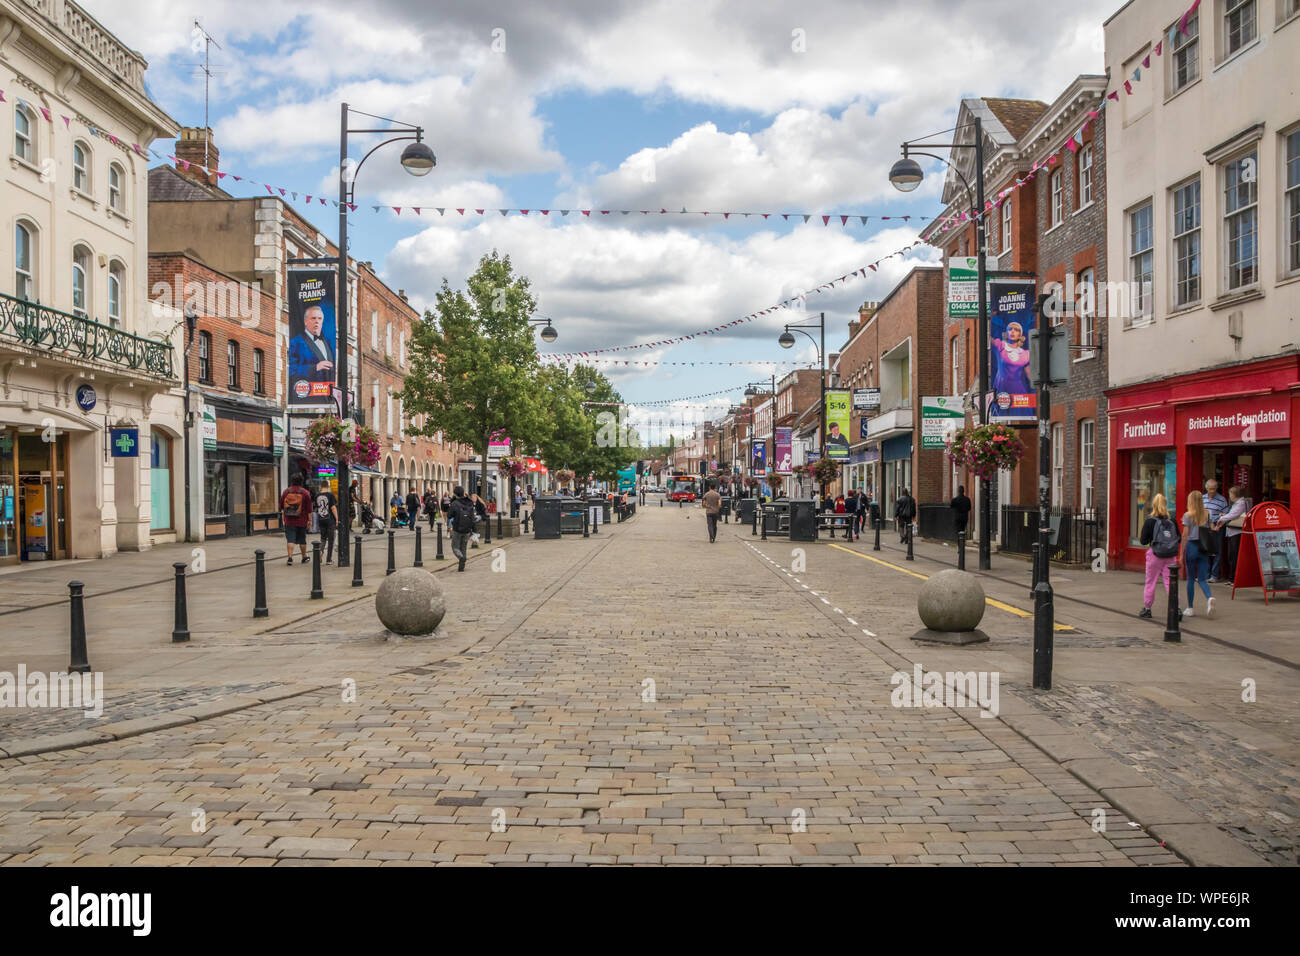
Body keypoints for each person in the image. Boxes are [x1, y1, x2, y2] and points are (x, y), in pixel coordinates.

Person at [1137, 493, 1180, 619]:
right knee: (1170, 582)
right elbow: (1179, 539)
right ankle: (1176, 609)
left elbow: (1143, 541)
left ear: (1153, 505)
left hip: (1155, 554)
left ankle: (1147, 609)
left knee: (1150, 582)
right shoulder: (1172, 520)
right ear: (1166, 505)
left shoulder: (1150, 521)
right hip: (1171, 556)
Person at [1180, 490, 1216, 619]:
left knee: (1190, 578)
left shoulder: (1187, 515)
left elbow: (1185, 535)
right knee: (1202, 579)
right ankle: (1209, 598)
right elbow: (1212, 529)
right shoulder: (1207, 514)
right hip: (1203, 548)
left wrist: (1180, 554)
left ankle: (1190, 608)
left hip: (1192, 547)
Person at [287, 305, 334, 384]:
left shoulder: (327, 343)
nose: (317, 321)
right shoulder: (295, 342)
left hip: (327, 393)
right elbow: (291, 370)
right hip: (306, 392)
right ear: (305, 322)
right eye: (313, 318)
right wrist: (315, 368)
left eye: (319, 318)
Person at [1215, 486, 1249, 584]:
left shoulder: (1241, 504)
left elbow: (1233, 515)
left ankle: (1234, 578)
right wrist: (1224, 516)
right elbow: (1232, 514)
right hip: (1233, 531)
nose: (1229, 496)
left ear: (1234, 495)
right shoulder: (1238, 503)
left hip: (1236, 532)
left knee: (1234, 556)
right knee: (1232, 555)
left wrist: (1222, 518)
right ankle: (1232, 577)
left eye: (1230, 494)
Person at [278, 473, 313, 565]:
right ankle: (304, 557)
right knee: (302, 539)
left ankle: (290, 558)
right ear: (301, 481)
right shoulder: (305, 493)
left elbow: (281, 506)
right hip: (302, 520)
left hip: (289, 520)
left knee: (290, 539)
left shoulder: (286, 492)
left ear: (292, 481)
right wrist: (310, 520)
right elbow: (309, 509)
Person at [1202, 478, 1228, 582]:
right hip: (1204, 528)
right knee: (1205, 551)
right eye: (1209, 489)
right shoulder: (1202, 498)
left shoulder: (1222, 500)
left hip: (1217, 528)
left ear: (1217, 488)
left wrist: (1218, 525)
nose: (1211, 491)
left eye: (1213, 489)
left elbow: (1226, 515)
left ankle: (1214, 575)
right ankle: (1205, 574)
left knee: (1217, 552)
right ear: (1206, 488)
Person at [446, 486, 475, 572]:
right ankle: (461, 567)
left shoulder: (455, 503)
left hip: (457, 528)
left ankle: (461, 557)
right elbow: (472, 516)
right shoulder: (469, 502)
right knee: (463, 547)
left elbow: (449, 515)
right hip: (467, 529)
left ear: (455, 494)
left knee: (455, 547)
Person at [314, 480, 339, 564]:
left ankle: (320, 551)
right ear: (328, 486)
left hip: (321, 519)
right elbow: (333, 508)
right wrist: (336, 518)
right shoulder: (330, 495)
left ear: (320, 486)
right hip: (330, 520)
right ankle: (329, 559)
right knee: (331, 540)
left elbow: (317, 507)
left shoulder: (317, 496)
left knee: (323, 538)